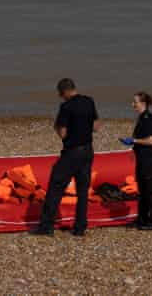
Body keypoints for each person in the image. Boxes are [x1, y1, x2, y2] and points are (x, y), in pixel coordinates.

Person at [31, 78, 100, 237]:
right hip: (88, 150)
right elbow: (96, 126)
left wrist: (57, 128)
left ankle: (46, 226)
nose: (62, 97)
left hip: (72, 153)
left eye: (61, 94)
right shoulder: (89, 101)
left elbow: (62, 132)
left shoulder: (66, 107)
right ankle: (80, 227)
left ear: (65, 92)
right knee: (82, 191)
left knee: (56, 186)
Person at [119, 91, 152, 230]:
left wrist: (134, 140)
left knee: (151, 192)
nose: (133, 105)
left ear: (143, 103)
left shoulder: (149, 119)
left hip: (151, 160)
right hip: (143, 160)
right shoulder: (141, 118)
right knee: (142, 190)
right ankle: (142, 219)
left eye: (135, 102)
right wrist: (134, 146)